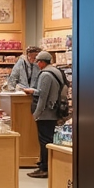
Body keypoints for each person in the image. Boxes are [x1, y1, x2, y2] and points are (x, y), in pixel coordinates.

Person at [27, 50, 64, 179]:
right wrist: (34, 91)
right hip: (52, 111)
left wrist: (36, 113)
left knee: (44, 141)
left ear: (42, 62)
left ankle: (45, 168)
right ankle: (45, 165)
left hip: (46, 113)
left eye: (38, 61)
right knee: (47, 139)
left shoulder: (45, 75)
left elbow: (43, 97)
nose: (37, 64)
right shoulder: (55, 72)